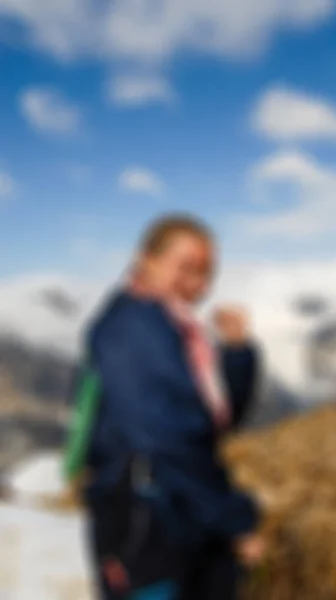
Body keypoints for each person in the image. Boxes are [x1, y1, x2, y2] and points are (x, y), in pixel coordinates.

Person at [83, 215, 265, 599]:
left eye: (205, 271)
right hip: (150, 526)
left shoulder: (174, 327)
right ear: (145, 259)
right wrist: (235, 519)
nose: (196, 282)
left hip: (175, 513)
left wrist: (235, 353)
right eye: (185, 267)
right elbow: (168, 438)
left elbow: (211, 420)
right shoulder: (134, 329)